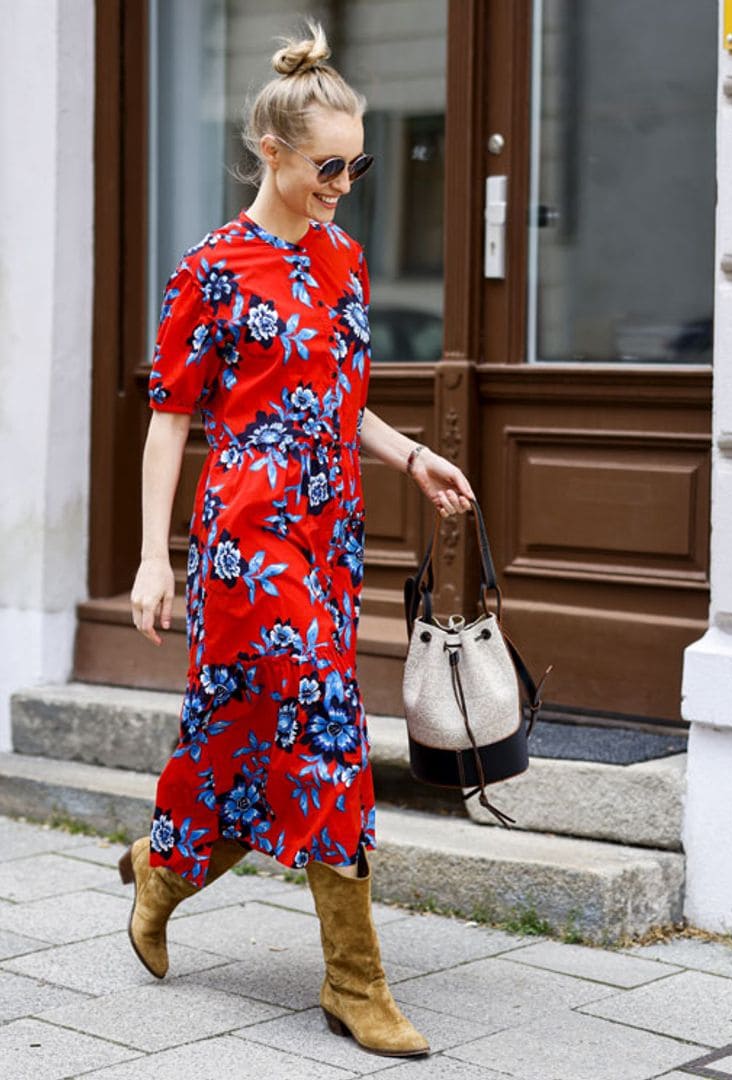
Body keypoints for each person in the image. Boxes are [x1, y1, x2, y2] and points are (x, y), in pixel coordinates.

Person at [122, 19, 474, 1059]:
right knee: (326, 724)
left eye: (357, 164)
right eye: (330, 164)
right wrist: (153, 558)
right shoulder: (212, 270)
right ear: (271, 152)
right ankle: (354, 984)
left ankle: (159, 870)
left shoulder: (345, 264)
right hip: (246, 538)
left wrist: (410, 454)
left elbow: (341, 404)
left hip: (328, 535)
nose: (345, 181)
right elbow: (169, 418)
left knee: (233, 744)